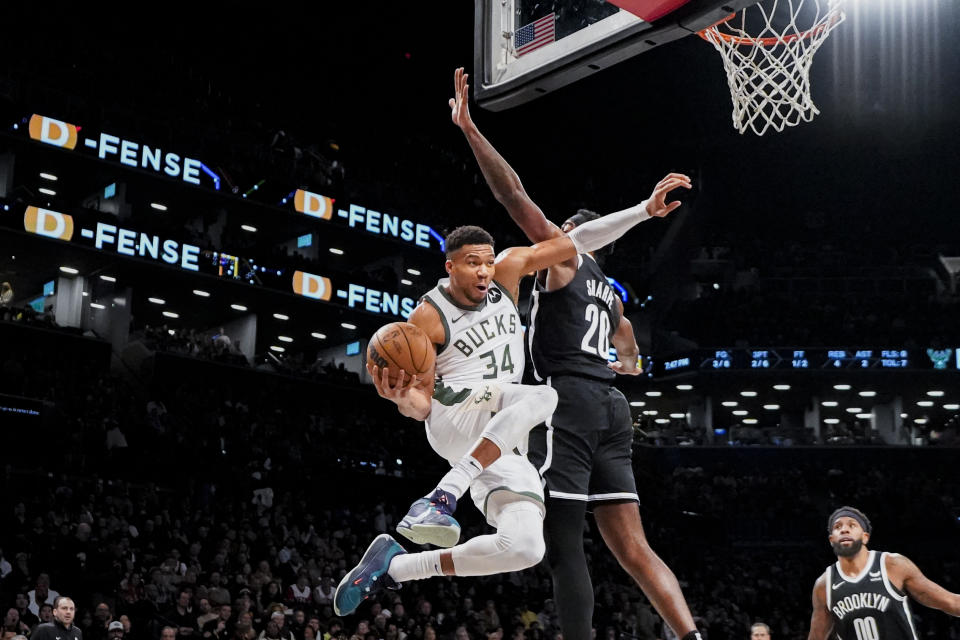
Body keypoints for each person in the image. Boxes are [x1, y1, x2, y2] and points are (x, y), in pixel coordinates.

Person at [334, 141, 690, 615]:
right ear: (450, 267)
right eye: (471, 263)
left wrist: (644, 211)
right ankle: (439, 497)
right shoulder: (428, 317)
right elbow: (421, 406)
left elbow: (581, 242)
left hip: (503, 436)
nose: (483, 270)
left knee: (526, 547)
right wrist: (402, 399)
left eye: (486, 261)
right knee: (545, 397)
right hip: (456, 414)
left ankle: (393, 568)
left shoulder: (511, 269)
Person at [447, 66, 701, 640]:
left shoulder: (562, 259)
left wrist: (468, 128)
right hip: (613, 407)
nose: (550, 236)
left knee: (562, 544)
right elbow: (631, 356)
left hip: (568, 402)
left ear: (572, 236)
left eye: (560, 230)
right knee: (633, 547)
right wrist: (626, 366)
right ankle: (692, 635)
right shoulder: (613, 301)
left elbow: (511, 193)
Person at [806, 506, 960, 639]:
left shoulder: (892, 565)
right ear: (832, 539)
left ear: (865, 537)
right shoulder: (824, 585)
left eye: (852, 525)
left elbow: (950, 602)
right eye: (838, 527)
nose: (844, 529)